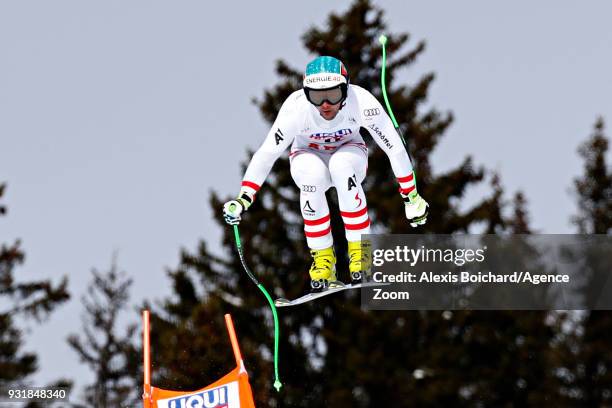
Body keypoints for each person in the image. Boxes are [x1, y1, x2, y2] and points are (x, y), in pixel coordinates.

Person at [223, 56, 428, 292]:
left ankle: (361, 253)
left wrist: (411, 197)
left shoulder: (362, 103)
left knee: (341, 165)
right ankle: (322, 261)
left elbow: (395, 148)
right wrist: (244, 197)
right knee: (312, 176)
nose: (325, 105)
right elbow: (266, 153)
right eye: (317, 97)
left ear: (346, 89)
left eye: (333, 94)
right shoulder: (296, 109)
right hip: (307, 155)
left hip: (349, 152)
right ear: (306, 93)